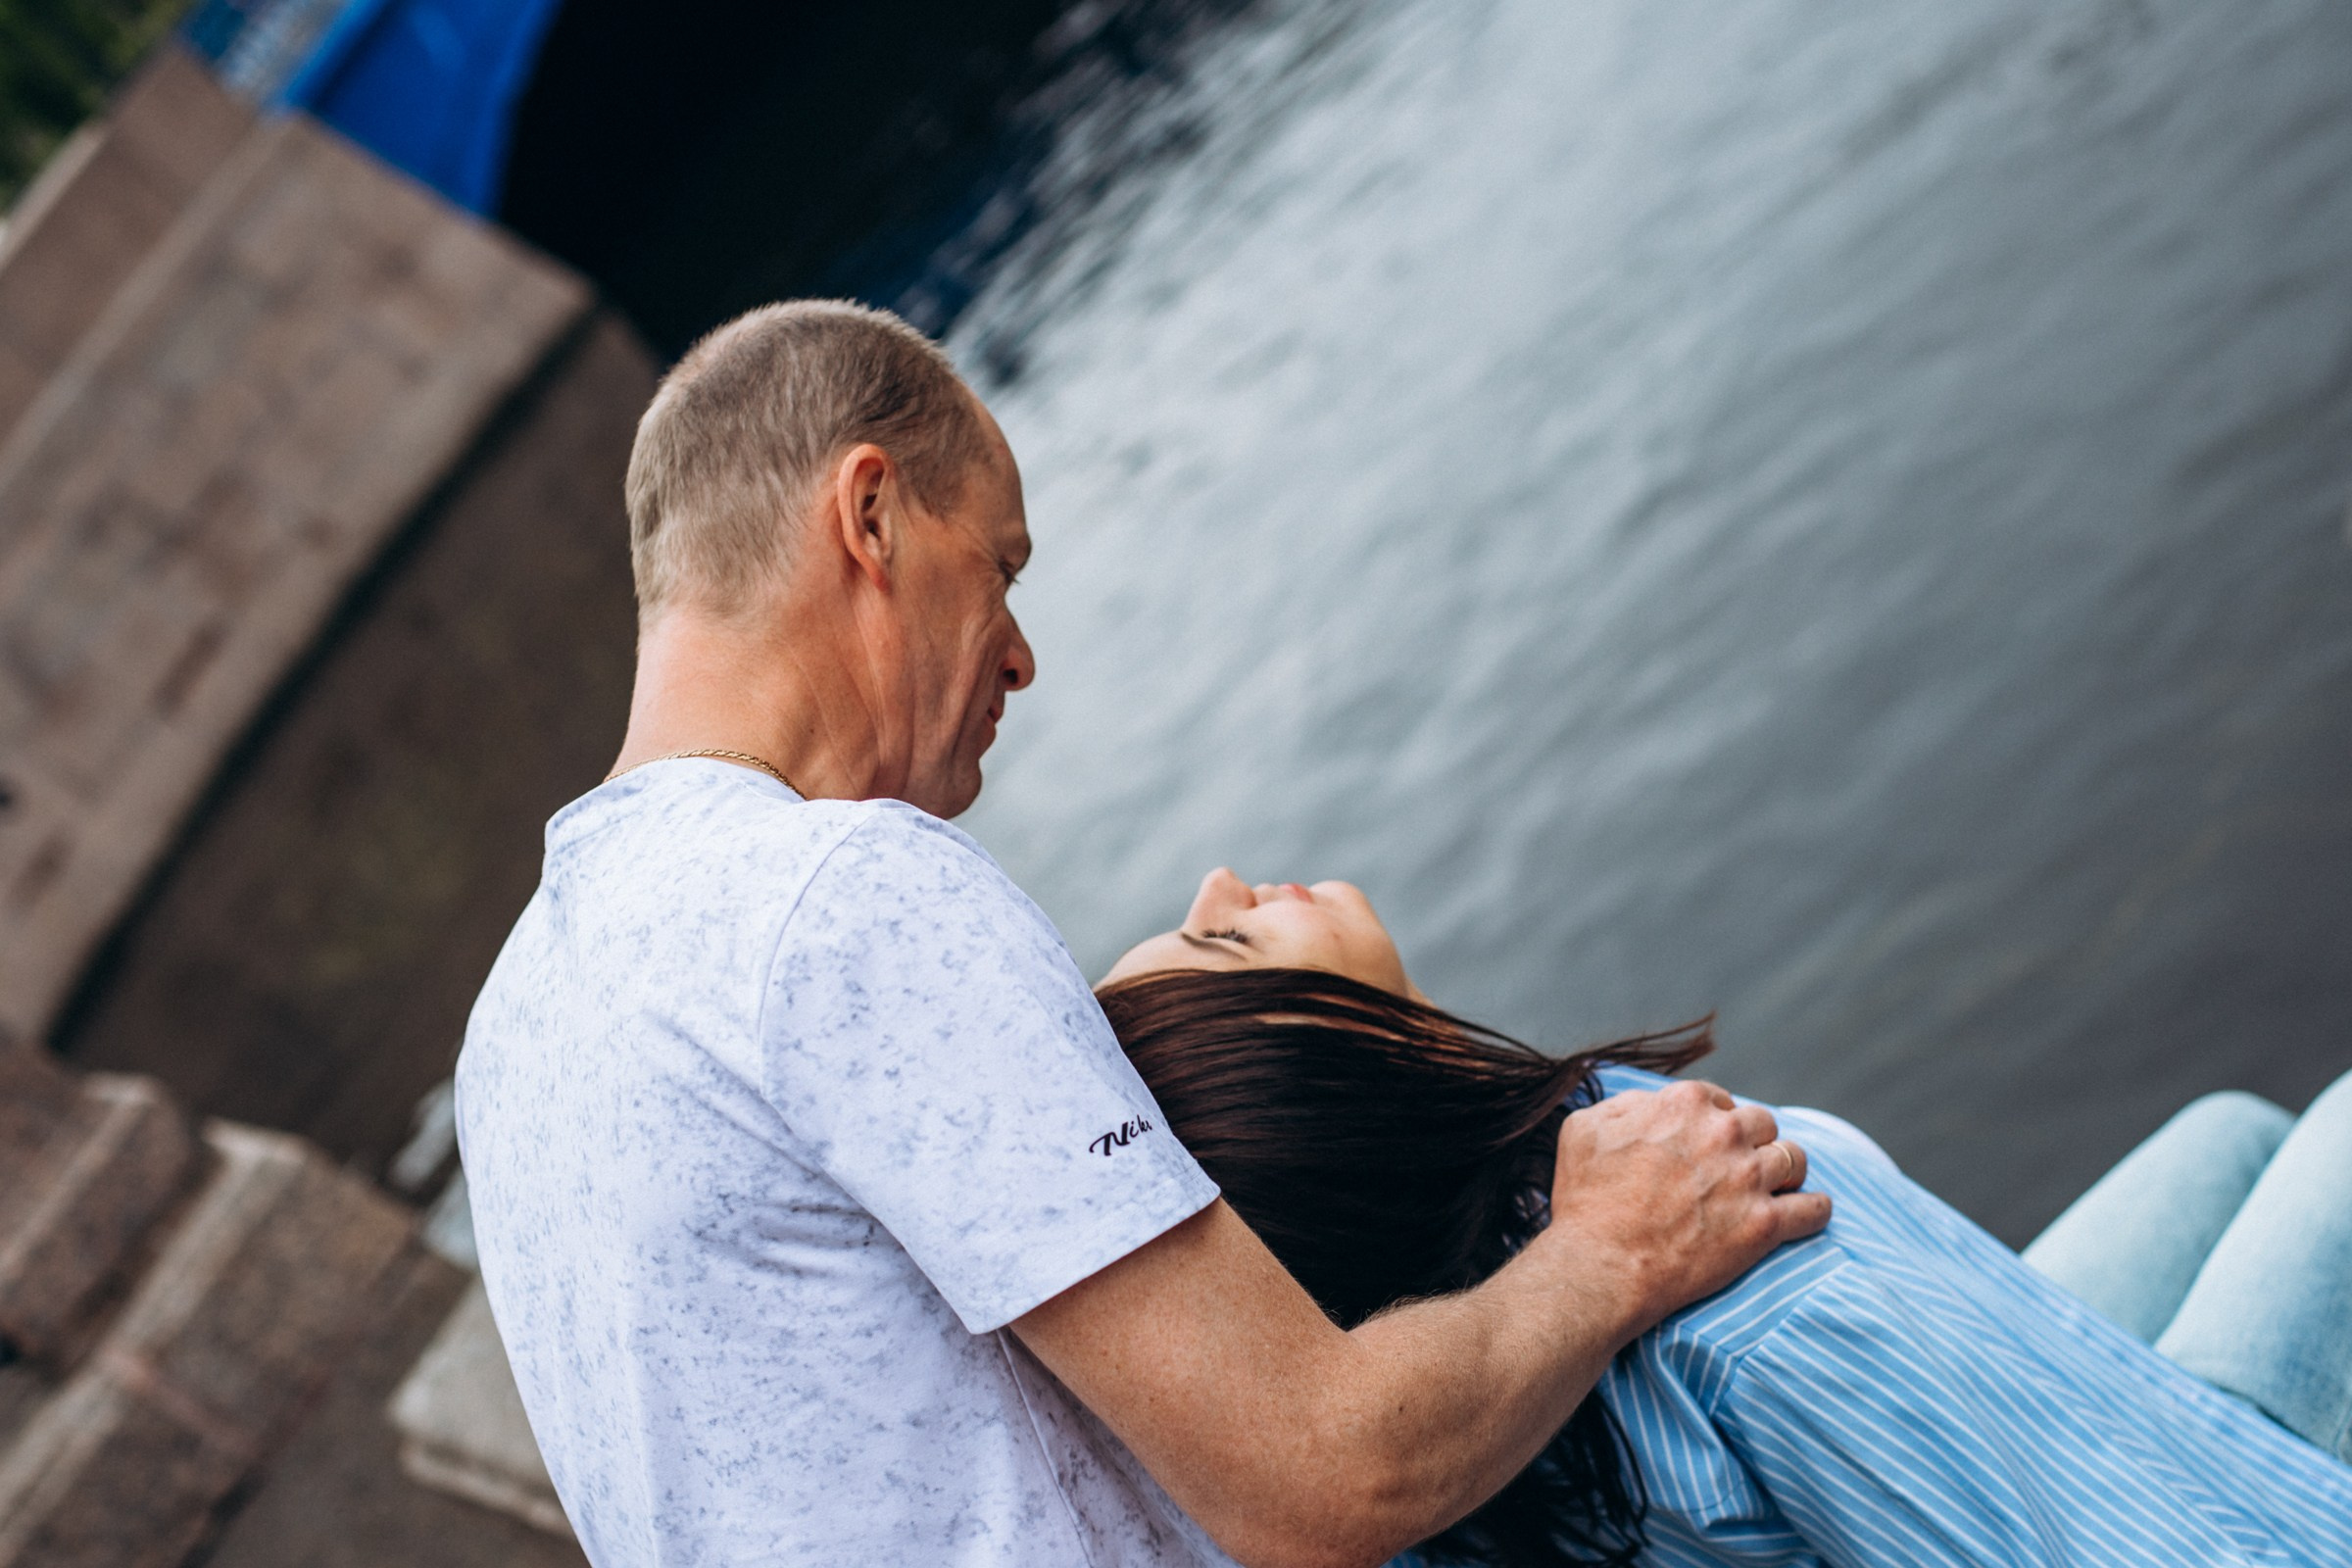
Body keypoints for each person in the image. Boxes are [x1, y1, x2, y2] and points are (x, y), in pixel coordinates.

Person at [454, 300, 1832, 1568]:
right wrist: (1609, 1251)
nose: (1018, 654)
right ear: (869, 516)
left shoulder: (514, 1038)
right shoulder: (841, 894)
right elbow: (1325, 1473)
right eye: (998, 564)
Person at [1098, 868, 2352, 1567]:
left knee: (2226, 1141)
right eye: (1224, 940)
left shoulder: (1365, 1425)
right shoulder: (1747, 1273)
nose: (1220, 879)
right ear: (1324, 1076)